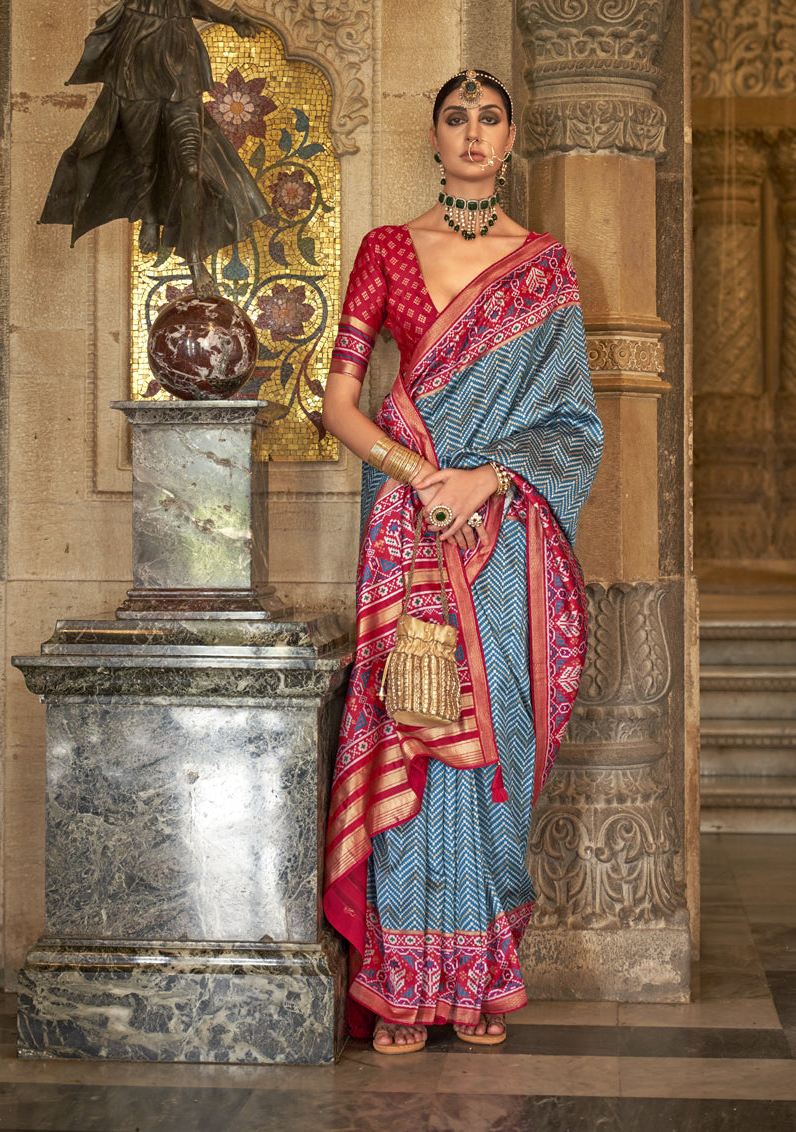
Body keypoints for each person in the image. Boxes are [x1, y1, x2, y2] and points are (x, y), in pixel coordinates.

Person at [322, 69, 604, 1054]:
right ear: (435, 137)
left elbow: (572, 422)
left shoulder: (545, 268)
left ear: (511, 136)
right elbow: (338, 402)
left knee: (494, 740)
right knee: (414, 720)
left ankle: (477, 979)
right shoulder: (387, 251)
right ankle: (403, 983)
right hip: (407, 529)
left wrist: (483, 482)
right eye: (456, 117)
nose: (474, 132)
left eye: (489, 118)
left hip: (498, 542)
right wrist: (420, 476)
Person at [39, 0, 268, 296]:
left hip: (183, 76)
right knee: (143, 160)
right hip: (136, 76)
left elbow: (194, 4)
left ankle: (196, 261)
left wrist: (232, 18)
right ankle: (148, 216)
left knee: (192, 167)